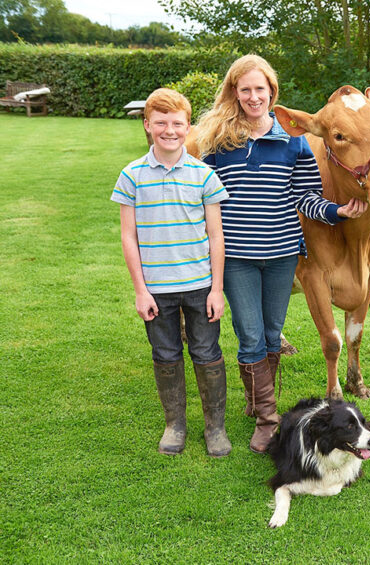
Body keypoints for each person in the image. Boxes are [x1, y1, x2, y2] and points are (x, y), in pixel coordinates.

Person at [192, 54, 367, 454]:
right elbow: (201, 194)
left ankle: (259, 401)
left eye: (261, 89)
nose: (254, 97)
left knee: (272, 336)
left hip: (282, 253)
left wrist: (336, 211)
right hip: (236, 256)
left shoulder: (295, 141)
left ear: (272, 92)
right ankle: (267, 420)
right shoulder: (220, 141)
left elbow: (305, 197)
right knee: (250, 335)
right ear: (234, 93)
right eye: (246, 89)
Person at [112, 88, 231, 457]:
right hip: (156, 289)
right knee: (165, 353)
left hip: (199, 286)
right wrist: (140, 290)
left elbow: (215, 235)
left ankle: (215, 427)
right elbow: (129, 237)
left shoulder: (203, 175)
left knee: (206, 351)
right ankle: (175, 424)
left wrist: (216, 289)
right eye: (160, 123)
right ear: (148, 126)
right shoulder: (132, 176)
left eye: (177, 123)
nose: (169, 130)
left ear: (187, 126)